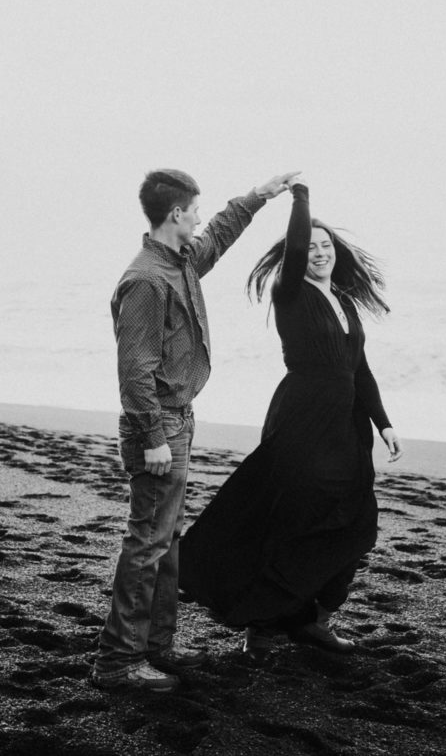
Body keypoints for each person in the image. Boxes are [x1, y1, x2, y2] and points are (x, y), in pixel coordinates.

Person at [92, 168, 300, 692]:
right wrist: (155, 438)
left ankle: (156, 650)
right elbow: (134, 371)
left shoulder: (179, 261)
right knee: (146, 543)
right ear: (177, 213)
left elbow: (222, 233)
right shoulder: (145, 280)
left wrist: (259, 196)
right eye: (196, 209)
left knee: (166, 542)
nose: (202, 217)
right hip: (157, 425)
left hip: (178, 419)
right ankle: (118, 661)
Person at [178, 179, 401, 664]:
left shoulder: (343, 300)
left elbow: (358, 367)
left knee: (357, 522)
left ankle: (312, 619)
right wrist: (300, 199)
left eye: (327, 247)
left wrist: (383, 423)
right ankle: (261, 627)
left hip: (346, 427)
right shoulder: (291, 290)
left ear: (337, 253)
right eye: (312, 246)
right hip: (303, 419)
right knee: (293, 521)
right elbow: (297, 247)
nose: (319, 253)